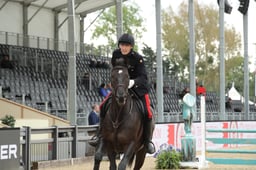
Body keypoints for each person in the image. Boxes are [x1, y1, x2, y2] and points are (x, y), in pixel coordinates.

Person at [89, 33, 155, 154]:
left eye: (126, 45)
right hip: (120, 87)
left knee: (148, 112)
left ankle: (147, 141)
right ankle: (99, 135)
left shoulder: (138, 58)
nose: (123, 47)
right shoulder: (116, 54)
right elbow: (115, 71)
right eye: (122, 45)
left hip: (137, 88)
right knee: (103, 105)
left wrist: (132, 82)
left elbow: (143, 77)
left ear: (131, 47)